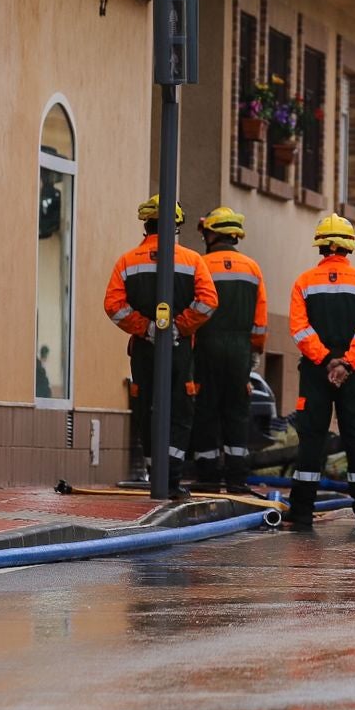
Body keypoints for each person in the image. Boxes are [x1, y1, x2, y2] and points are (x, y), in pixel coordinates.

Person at [103, 196, 218, 496]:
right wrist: (179, 326)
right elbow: (208, 302)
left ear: (145, 224)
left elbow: (114, 306)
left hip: (143, 347)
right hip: (180, 347)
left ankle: (155, 473)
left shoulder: (127, 262)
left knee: (146, 408)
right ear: (177, 226)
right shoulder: (193, 261)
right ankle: (172, 479)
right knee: (180, 409)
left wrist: (146, 328)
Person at [287, 215, 355, 529]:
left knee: (311, 439)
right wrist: (347, 364)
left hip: (316, 372)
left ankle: (301, 514)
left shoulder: (304, 282)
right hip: (353, 375)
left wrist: (326, 359)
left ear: (321, 246)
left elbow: (299, 330)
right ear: (348, 246)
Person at [190, 207, 267, 494]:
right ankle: (236, 478)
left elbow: (193, 308)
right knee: (236, 412)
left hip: (206, 348)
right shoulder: (252, 268)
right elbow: (260, 320)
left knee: (206, 410)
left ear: (212, 234)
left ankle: (208, 476)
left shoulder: (201, 264)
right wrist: (255, 351)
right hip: (239, 352)